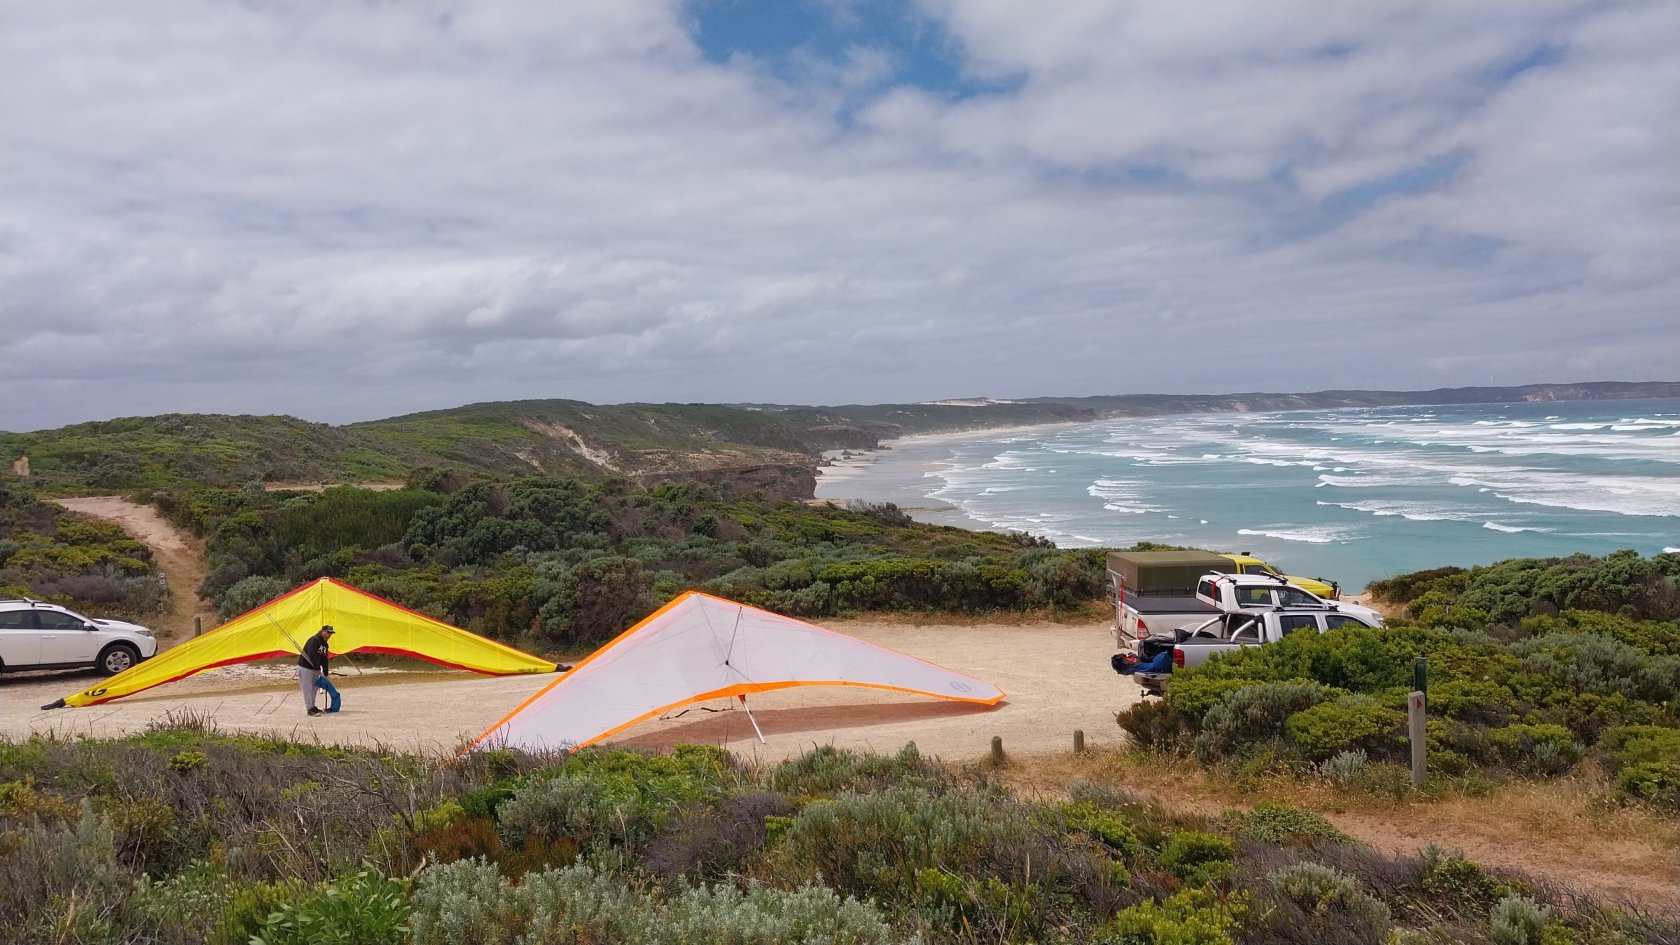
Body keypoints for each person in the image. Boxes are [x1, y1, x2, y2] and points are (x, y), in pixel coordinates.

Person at [297, 624, 340, 716]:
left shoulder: (325, 645)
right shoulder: (314, 640)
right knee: (307, 689)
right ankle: (309, 709)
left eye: (331, 633)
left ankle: (313, 706)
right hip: (305, 667)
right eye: (328, 632)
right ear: (322, 631)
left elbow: (324, 659)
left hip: (315, 669)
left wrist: (325, 671)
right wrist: (316, 667)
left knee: (314, 688)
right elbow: (311, 654)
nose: (329, 635)